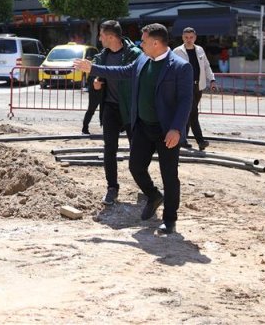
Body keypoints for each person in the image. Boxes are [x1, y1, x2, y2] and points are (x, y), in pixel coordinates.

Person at [74, 23, 193, 235]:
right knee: (136, 167)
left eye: (144, 41)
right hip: (143, 127)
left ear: (156, 43)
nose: (141, 44)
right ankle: (154, 195)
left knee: (169, 175)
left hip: (167, 131)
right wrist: (93, 68)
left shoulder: (180, 67)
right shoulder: (142, 59)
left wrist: (176, 128)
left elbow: (186, 102)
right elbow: (122, 71)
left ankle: (169, 219)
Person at [90, 20, 143, 205]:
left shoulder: (134, 54)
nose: (99, 39)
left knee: (137, 150)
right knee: (109, 149)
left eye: (102, 35)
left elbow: (128, 75)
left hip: (129, 109)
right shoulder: (103, 55)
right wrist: (97, 81)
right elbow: (100, 74)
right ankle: (112, 187)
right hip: (110, 107)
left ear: (111, 37)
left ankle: (145, 185)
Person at [173, 27, 217, 151]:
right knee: (193, 113)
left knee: (188, 113)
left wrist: (212, 80)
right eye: (186, 37)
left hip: (198, 86)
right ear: (182, 37)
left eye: (191, 37)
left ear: (195, 38)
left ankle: (182, 140)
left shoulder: (200, 50)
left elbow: (206, 66)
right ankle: (200, 140)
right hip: (184, 87)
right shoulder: (177, 51)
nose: (189, 40)